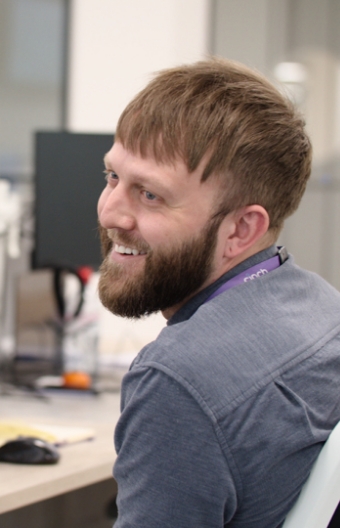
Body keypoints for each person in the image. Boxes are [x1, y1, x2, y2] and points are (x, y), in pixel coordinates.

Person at [97, 58, 340, 527]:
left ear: (241, 229)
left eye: (150, 195)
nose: (110, 212)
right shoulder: (325, 308)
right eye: (111, 177)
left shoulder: (175, 383)